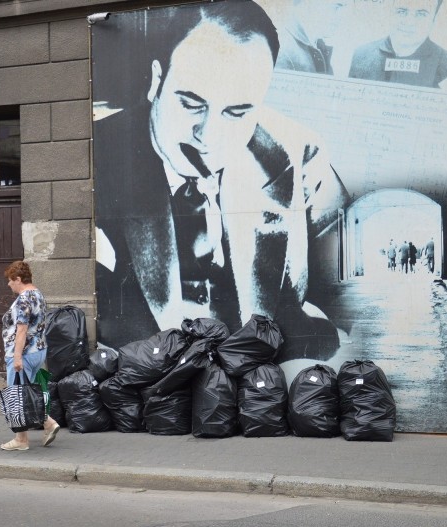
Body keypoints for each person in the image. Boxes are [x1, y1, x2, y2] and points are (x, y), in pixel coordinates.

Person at [94, 0, 348, 361]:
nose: (209, 136)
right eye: (191, 104)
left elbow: (344, 304)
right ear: (156, 80)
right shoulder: (94, 161)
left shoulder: (297, 156)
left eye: (237, 112)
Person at [0, 260, 59, 451]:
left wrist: (16, 357)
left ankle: (25, 437)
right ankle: (30, 432)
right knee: (26, 395)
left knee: (18, 396)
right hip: (38, 351)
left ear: (18, 279)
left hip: (22, 355)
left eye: (10, 280)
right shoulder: (38, 294)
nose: (9, 284)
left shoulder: (24, 299)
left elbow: (22, 330)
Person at [348, 0, 447, 88]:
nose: (409, 22)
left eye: (421, 14)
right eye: (402, 11)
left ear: (434, 19)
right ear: (390, 12)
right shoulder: (360, 56)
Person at [275, 0, 348, 75]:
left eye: (343, 9)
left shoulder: (318, 47)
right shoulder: (283, 53)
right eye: (336, 7)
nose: (341, 17)